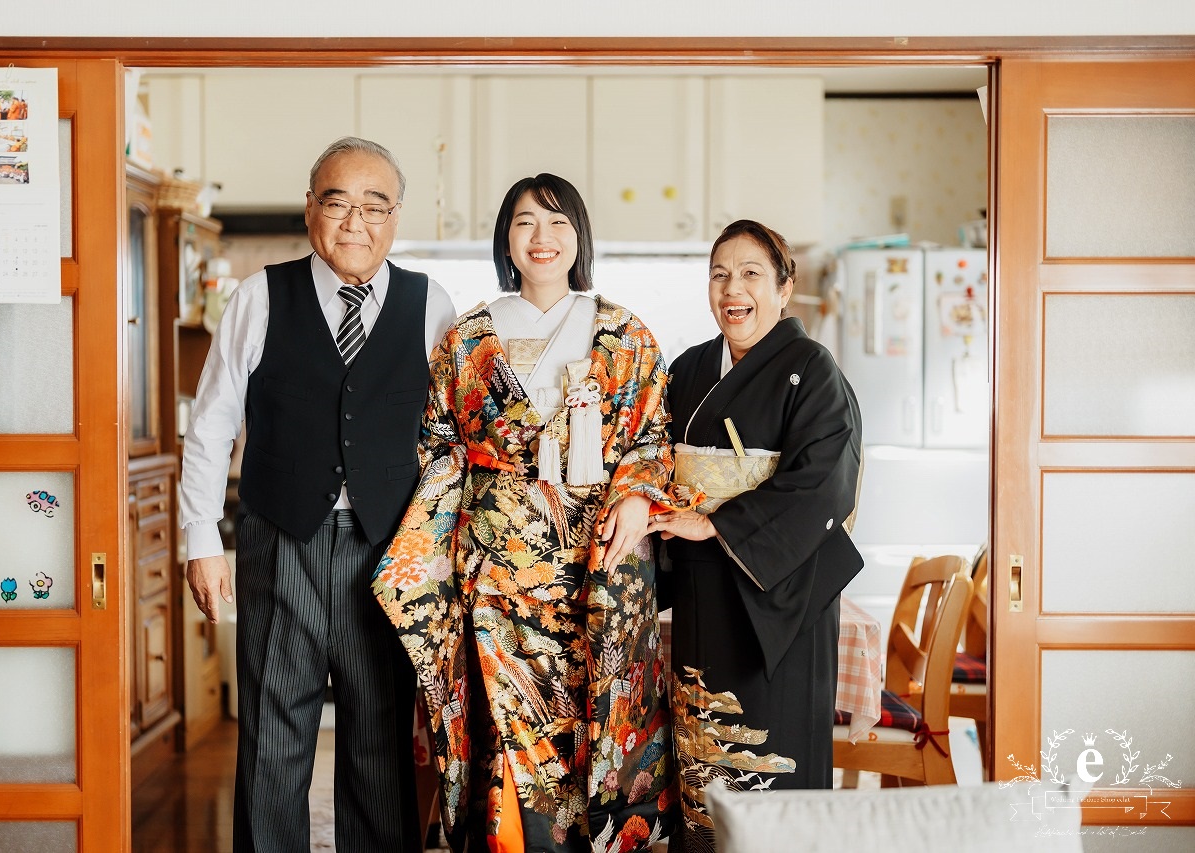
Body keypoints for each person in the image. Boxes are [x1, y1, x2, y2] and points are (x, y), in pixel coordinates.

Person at [373, 174, 682, 852]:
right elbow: (439, 444)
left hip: (594, 567)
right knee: (502, 730)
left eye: (557, 222)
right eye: (524, 223)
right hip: (497, 578)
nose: (541, 238)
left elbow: (654, 437)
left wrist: (634, 493)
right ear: (505, 240)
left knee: (592, 726)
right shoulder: (469, 338)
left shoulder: (624, 332)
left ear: (580, 237)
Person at [180, 136, 456, 853]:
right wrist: (200, 539)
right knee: (273, 740)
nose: (355, 221)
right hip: (281, 542)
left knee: (380, 743)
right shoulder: (258, 295)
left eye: (375, 206)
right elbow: (210, 422)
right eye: (339, 202)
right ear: (311, 208)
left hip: (388, 550)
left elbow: (453, 440)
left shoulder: (434, 307)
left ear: (396, 216)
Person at [647, 220, 864, 853]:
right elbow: (652, 459)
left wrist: (717, 520)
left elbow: (825, 485)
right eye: (719, 275)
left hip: (780, 599)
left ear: (784, 288)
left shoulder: (813, 371)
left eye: (750, 275)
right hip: (699, 590)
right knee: (703, 760)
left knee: (775, 757)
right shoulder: (689, 370)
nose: (732, 290)